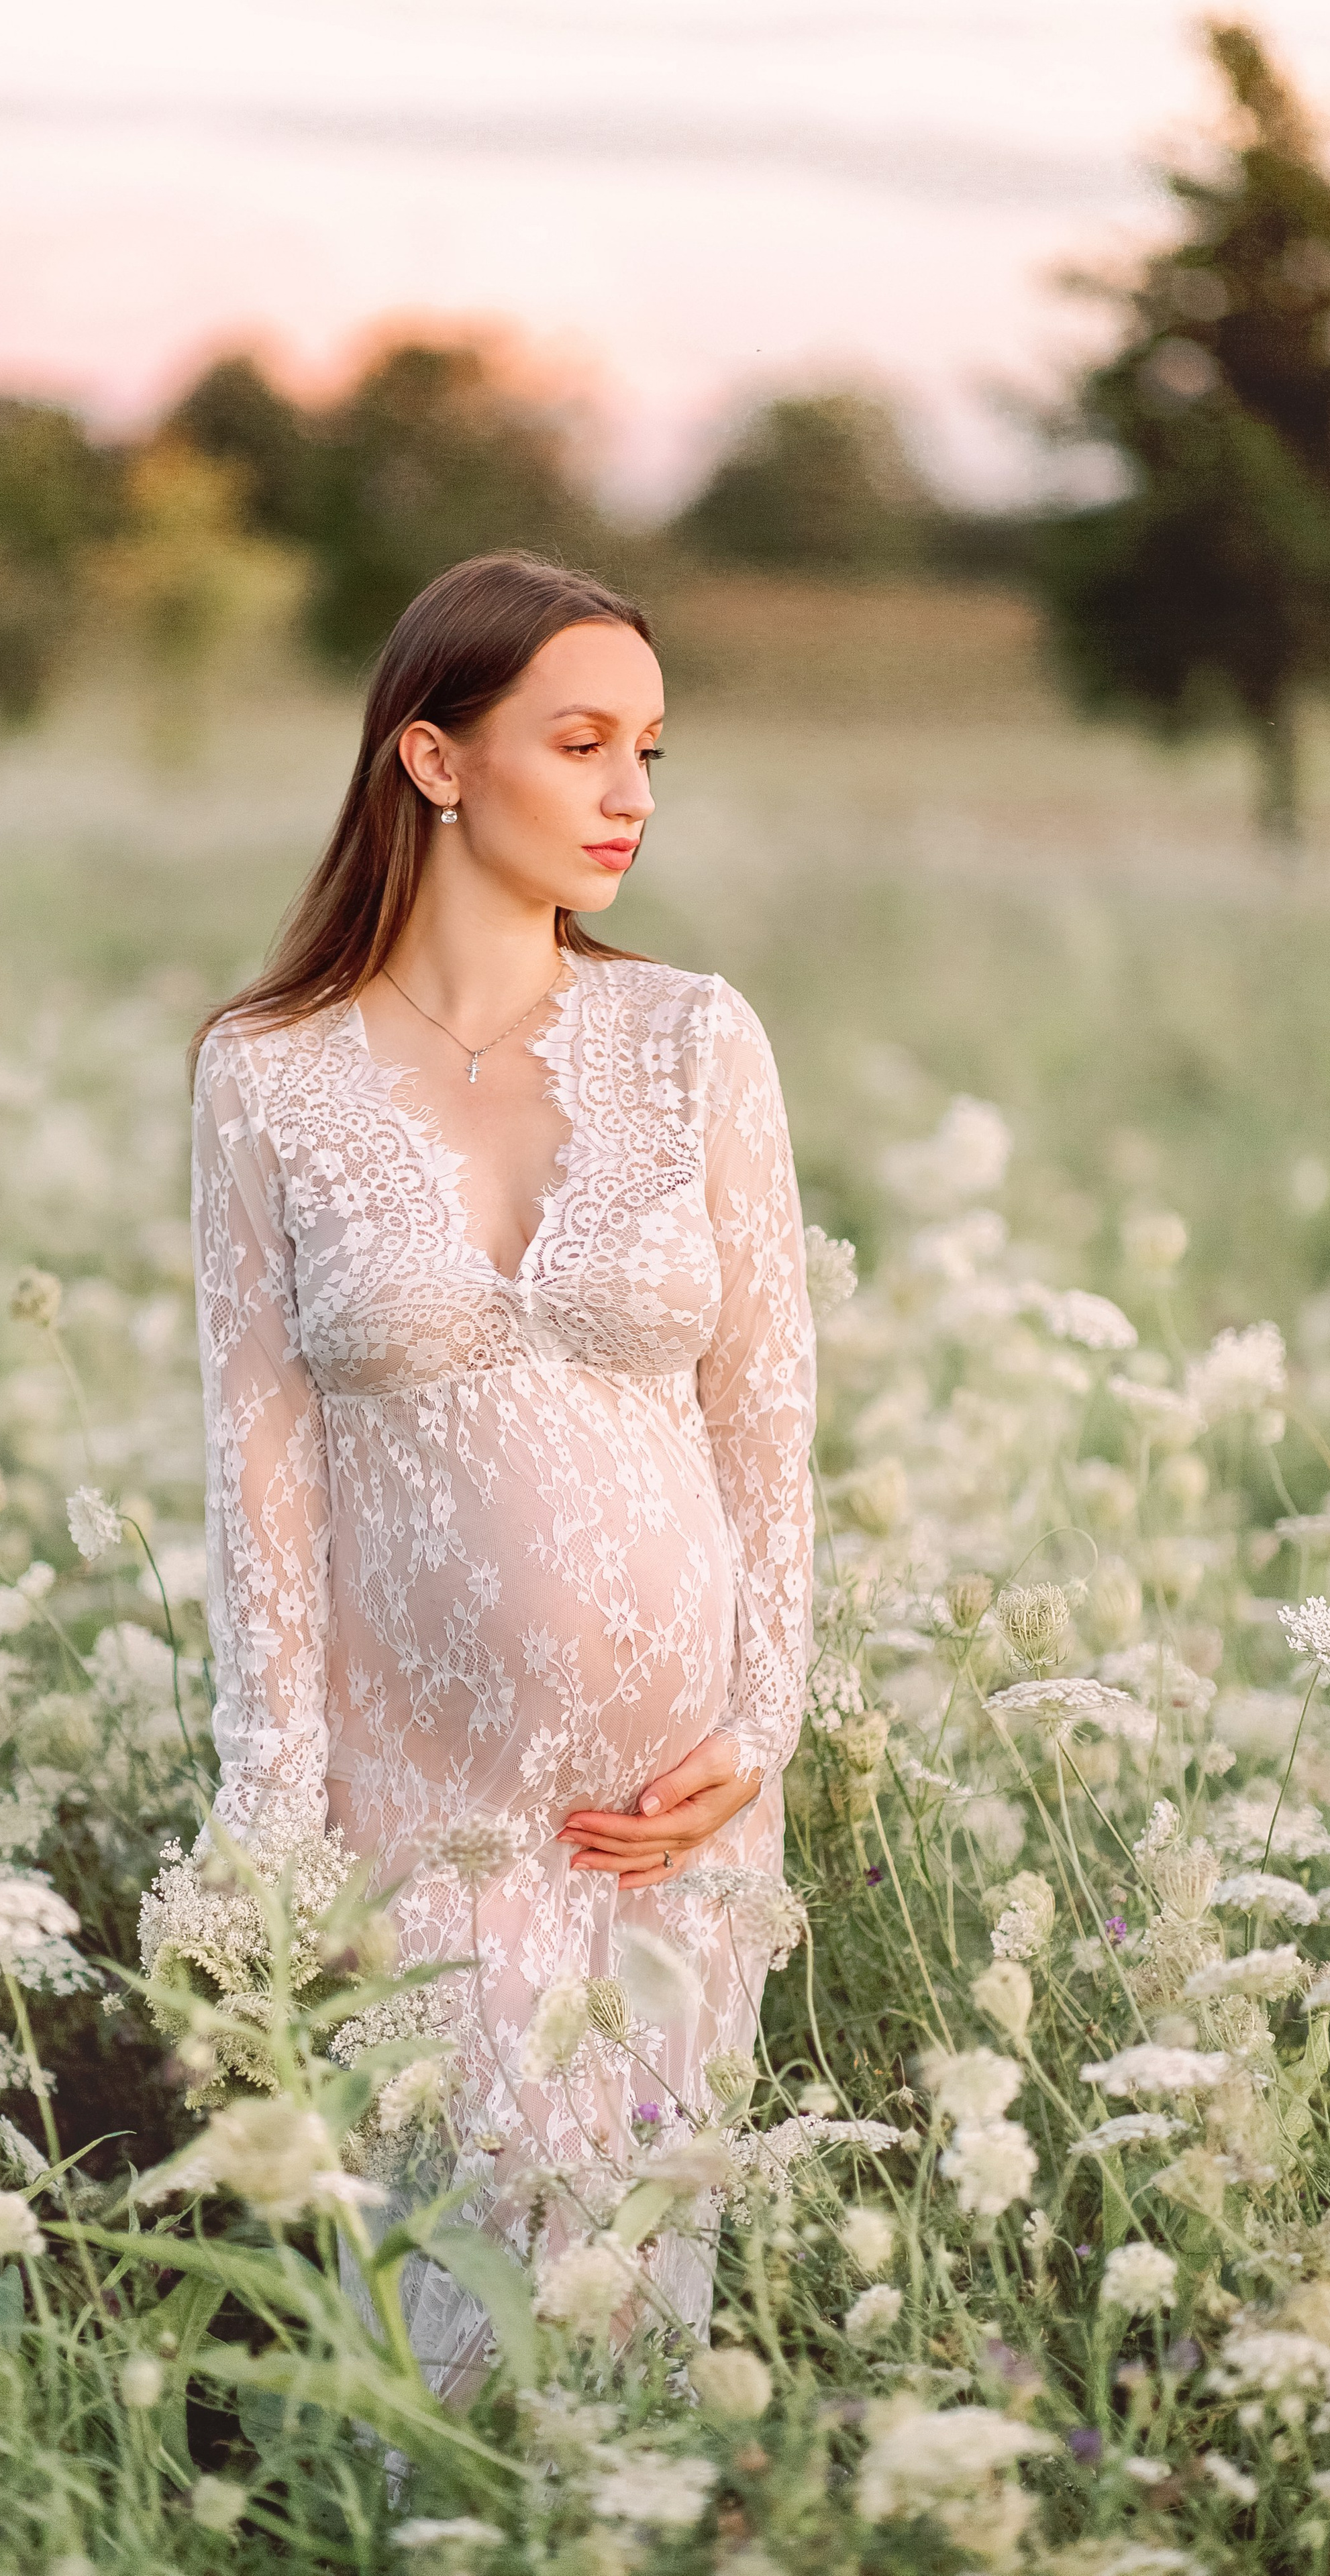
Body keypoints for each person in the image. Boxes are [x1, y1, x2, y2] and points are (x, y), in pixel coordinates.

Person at [188, 551, 816, 2390]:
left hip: (670, 1814)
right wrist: (266, 1829)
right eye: (582, 741)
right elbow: (259, 1470)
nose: (631, 793)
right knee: (449, 2356)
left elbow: (769, 1426)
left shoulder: (697, 1038)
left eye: (652, 749)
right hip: (416, 1821)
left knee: (633, 2325)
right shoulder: (266, 1073)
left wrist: (759, 1731)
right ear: (438, 761)